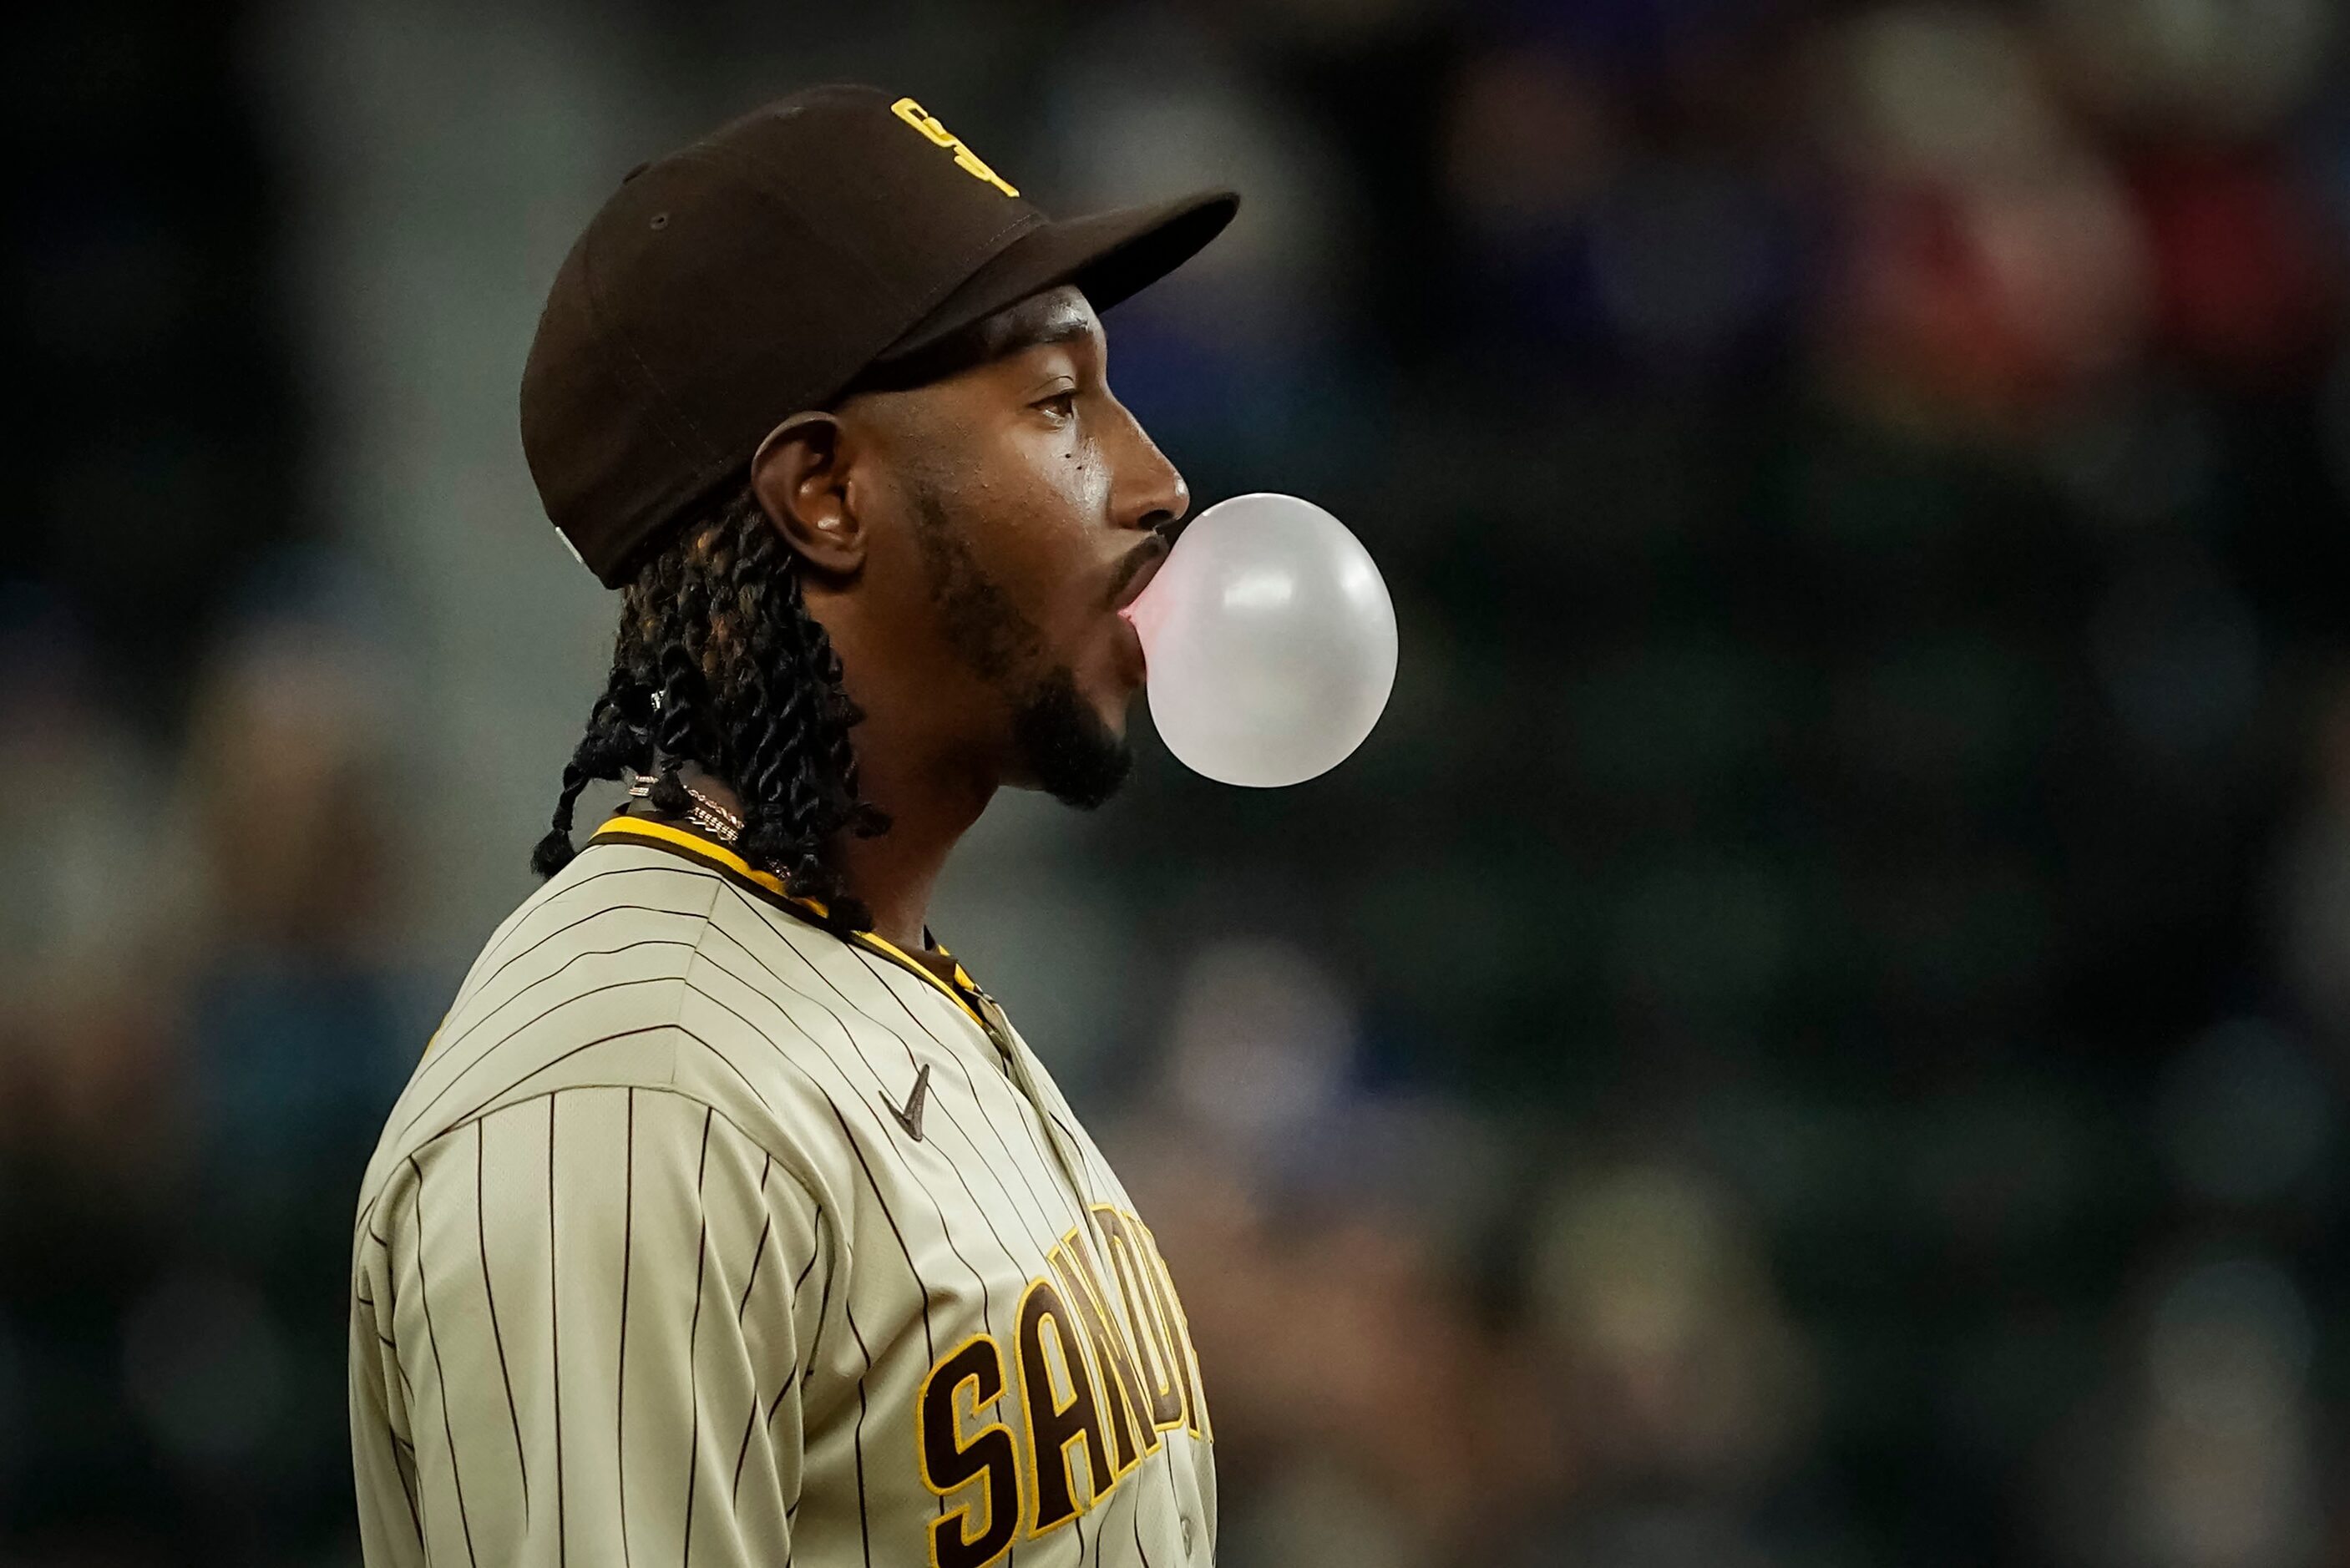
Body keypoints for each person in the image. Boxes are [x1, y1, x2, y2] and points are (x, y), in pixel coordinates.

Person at [347, 85, 1236, 1568]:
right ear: (824, 490)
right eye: (1058, 403)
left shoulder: (863, 972)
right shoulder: (628, 1101)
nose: (1155, 484)